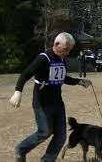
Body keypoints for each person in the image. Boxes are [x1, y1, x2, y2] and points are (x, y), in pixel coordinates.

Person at [9, 32, 92, 162]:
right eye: (66, 49)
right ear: (57, 44)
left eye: (69, 50)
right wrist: (18, 92)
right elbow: (26, 74)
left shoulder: (61, 58)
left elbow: (62, 77)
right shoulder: (44, 58)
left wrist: (79, 82)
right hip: (42, 103)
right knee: (45, 131)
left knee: (60, 136)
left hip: (58, 103)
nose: (68, 53)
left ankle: (48, 160)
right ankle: (21, 149)